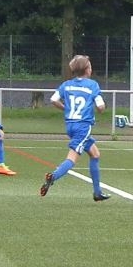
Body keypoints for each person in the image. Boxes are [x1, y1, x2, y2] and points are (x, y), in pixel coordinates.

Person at [40, 55, 110, 201]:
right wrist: (101, 108)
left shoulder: (66, 85)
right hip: (83, 127)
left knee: (95, 154)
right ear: (87, 69)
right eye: (90, 66)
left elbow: (53, 99)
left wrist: (66, 108)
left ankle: (97, 192)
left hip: (70, 126)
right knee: (72, 158)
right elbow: (100, 106)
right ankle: (53, 176)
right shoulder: (92, 85)